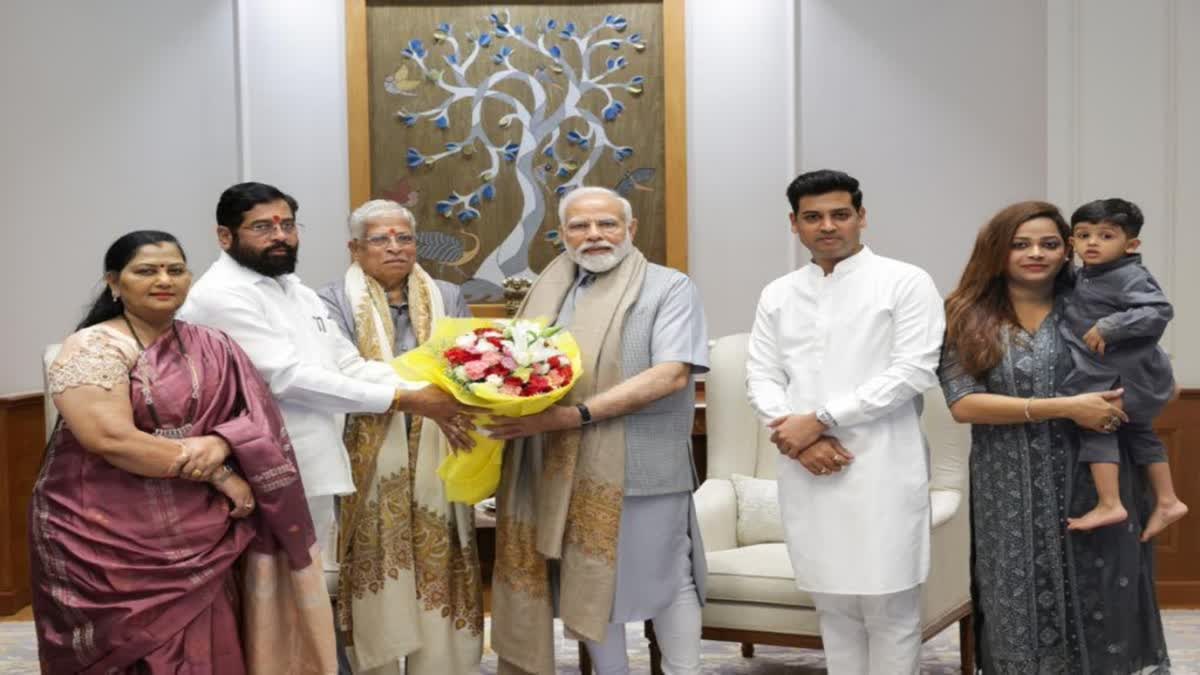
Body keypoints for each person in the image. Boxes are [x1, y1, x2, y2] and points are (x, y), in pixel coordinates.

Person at [32, 231, 336, 673]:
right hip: (102, 529)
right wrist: (219, 474)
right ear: (114, 283)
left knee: (208, 641)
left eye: (175, 270)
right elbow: (109, 439)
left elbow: (256, 417)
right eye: (146, 270)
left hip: (201, 531)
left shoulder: (214, 344)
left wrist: (223, 442)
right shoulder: (94, 346)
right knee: (126, 647)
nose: (164, 279)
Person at [178, 182, 476, 580]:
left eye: (287, 224)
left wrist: (432, 388)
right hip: (259, 471)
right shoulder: (223, 294)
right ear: (225, 236)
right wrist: (404, 400)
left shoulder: (294, 290)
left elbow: (347, 363)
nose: (280, 235)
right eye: (263, 227)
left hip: (312, 463)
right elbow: (288, 379)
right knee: (268, 600)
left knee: (305, 594)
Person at [939, 201, 1172, 673]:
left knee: (1109, 601)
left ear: (1066, 250)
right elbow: (964, 403)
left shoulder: (1093, 302)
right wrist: (1065, 407)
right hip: (1007, 489)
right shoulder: (967, 314)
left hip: (1097, 477)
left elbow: (1147, 374)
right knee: (1015, 604)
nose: (1036, 254)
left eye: (1049, 244)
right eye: (1020, 244)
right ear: (997, 250)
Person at [485, 186, 709, 674]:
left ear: (630, 230)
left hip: (644, 466)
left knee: (669, 580)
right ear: (562, 235)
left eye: (607, 224)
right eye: (579, 227)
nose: (594, 236)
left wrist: (574, 416)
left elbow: (672, 373)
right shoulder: (551, 292)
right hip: (559, 468)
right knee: (590, 584)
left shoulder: (669, 287)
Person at [746, 169, 945, 674]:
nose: (827, 226)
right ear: (794, 224)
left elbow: (914, 370)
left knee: (891, 606)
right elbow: (761, 376)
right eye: (813, 217)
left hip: (882, 462)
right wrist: (797, 438)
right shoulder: (779, 293)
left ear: (862, 217)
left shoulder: (905, 281)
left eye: (840, 214)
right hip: (805, 466)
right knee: (831, 605)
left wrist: (822, 419)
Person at [315, 199, 483, 673]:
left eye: (403, 238)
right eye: (380, 239)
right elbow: (339, 370)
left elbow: (466, 361)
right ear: (354, 248)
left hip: (439, 439)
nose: (394, 247)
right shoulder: (329, 300)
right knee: (376, 552)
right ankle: (380, 661)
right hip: (367, 445)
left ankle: (441, 662)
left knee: (443, 548)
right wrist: (413, 392)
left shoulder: (447, 295)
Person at [1057, 198, 1188, 537]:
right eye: (1084, 236)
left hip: (1123, 377)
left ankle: (1110, 502)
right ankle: (1168, 500)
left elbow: (1159, 310)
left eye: (1106, 236)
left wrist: (1110, 326)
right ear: (1072, 243)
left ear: (1131, 245)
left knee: (1097, 427)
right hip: (1131, 375)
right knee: (1141, 432)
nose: (1093, 243)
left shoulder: (1128, 275)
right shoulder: (1087, 275)